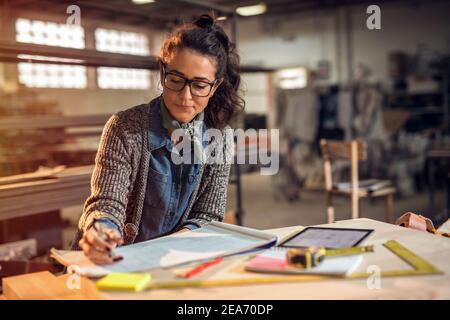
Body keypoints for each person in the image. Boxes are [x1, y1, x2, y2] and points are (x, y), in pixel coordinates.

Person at [72, 14, 244, 264]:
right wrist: (101, 229)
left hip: (170, 262)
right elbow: (107, 201)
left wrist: (174, 247)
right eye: (176, 80)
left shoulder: (220, 136)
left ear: (215, 87)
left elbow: (208, 213)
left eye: (199, 85)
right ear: (163, 72)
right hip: (108, 261)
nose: (185, 96)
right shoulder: (124, 128)